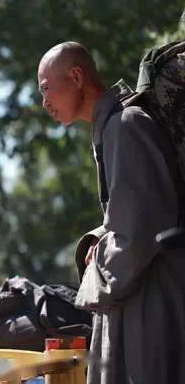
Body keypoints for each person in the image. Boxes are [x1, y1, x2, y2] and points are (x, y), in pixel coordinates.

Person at [38, 41, 185, 383]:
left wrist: (96, 268)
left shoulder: (127, 123)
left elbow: (139, 232)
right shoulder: (114, 126)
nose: (44, 102)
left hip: (152, 295)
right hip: (141, 289)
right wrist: (101, 239)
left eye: (47, 88)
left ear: (76, 76)